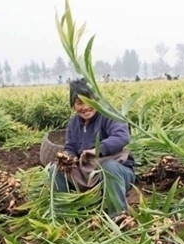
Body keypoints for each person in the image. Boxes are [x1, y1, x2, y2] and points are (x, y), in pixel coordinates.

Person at [49, 78, 136, 218]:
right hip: (87, 173)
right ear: (73, 105)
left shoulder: (109, 115)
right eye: (79, 103)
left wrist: (97, 150)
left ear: (96, 99)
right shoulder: (73, 123)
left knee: (109, 167)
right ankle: (65, 216)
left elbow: (122, 137)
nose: (85, 106)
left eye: (89, 101)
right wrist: (67, 157)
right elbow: (70, 146)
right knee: (56, 169)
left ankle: (118, 217)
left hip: (118, 173)